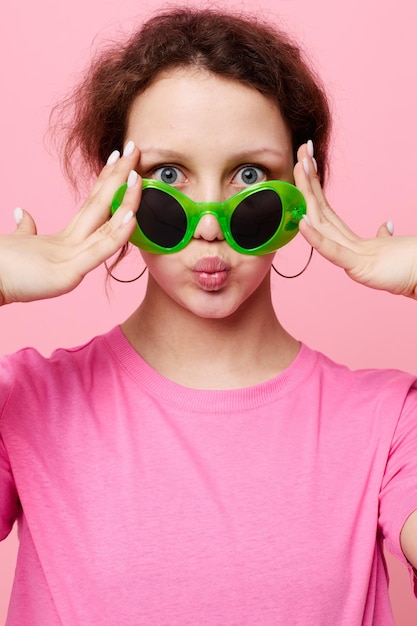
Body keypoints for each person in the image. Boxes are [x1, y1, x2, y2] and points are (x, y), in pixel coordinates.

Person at [1, 6, 417, 625]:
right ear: (116, 188)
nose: (209, 224)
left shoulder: (388, 422)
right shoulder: (29, 400)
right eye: (169, 174)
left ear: (302, 191)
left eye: (249, 174)